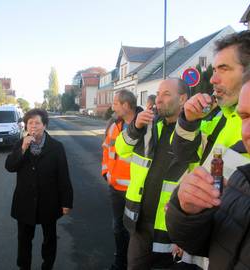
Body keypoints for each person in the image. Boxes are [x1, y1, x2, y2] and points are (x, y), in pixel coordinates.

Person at [170, 30, 250, 269]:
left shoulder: (243, 130)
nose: (213, 79)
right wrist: (188, 120)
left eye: (223, 69)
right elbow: (184, 156)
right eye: (213, 70)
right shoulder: (220, 117)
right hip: (201, 243)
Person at [115, 78, 190, 270]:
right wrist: (135, 127)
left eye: (166, 94)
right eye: (158, 94)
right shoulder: (148, 125)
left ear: (182, 99)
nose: (159, 99)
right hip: (139, 223)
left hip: (169, 228)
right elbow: (121, 149)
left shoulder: (195, 133)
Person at [5, 108, 73, 270]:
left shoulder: (56, 147)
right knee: (24, 239)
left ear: (44, 125)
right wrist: (22, 149)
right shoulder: (19, 144)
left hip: (49, 201)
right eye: (30, 123)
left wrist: (66, 202)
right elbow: (10, 166)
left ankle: (47, 265)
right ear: (26, 126)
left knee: (49, 238)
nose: (33, 126)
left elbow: (63, 176)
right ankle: (24, 266)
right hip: (25, 201)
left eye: (37, 123)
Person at [101, 89, 138, 270]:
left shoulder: (145, 125)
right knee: (118, 228)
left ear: (125, 105)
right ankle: (120, 262)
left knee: (135, 232)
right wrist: (106, 172)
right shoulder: (114, 125)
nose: (112, 106)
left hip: (137, 191)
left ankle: (132, 264)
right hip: (115, 187)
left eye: (115, 103)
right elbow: (107, 150)